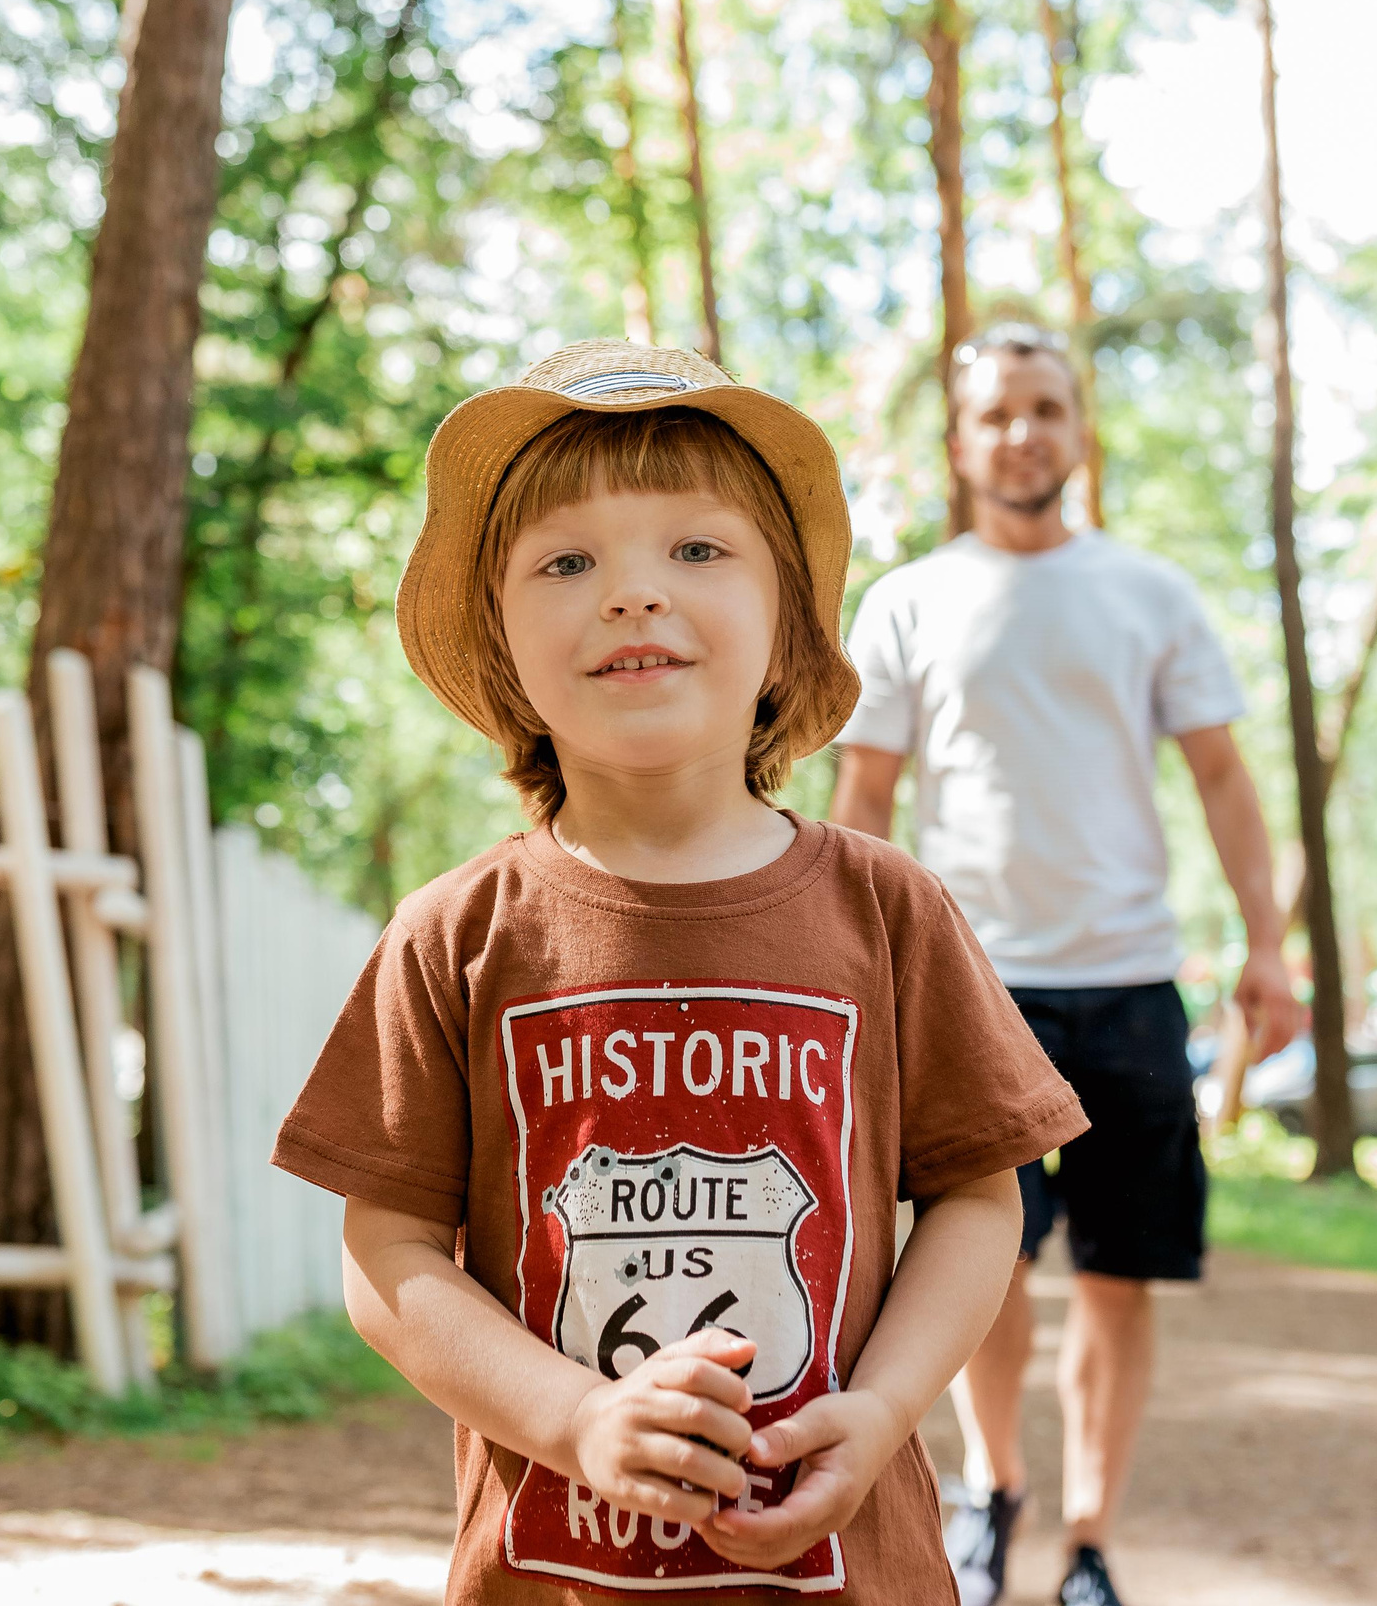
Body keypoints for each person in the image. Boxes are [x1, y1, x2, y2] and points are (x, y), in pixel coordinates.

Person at [273, 340, 1090, 1602]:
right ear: (502, 645)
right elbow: (386, 1253)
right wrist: (573, 1419)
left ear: (785, 634)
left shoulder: (888, 909)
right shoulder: (456, 932)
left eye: (696, 550)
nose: (631, 593)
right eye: (566, 561)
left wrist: (876, 1411)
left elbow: (982, 1202)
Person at [829, 326, 1300, 1606]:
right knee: (979, 1274)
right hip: (968, 983)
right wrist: (853, 958)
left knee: (1118, 1276)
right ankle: (996, 1493)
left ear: (1078, 428)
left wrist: (1267, 944)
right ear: (962, 438)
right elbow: (862, 790)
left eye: (1046, 408)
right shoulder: (908, 599)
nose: (1022, 432)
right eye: (996, 413)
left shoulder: (1148, 593)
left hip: (1131, 982)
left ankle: (1089, 1537)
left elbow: (1220, 775)